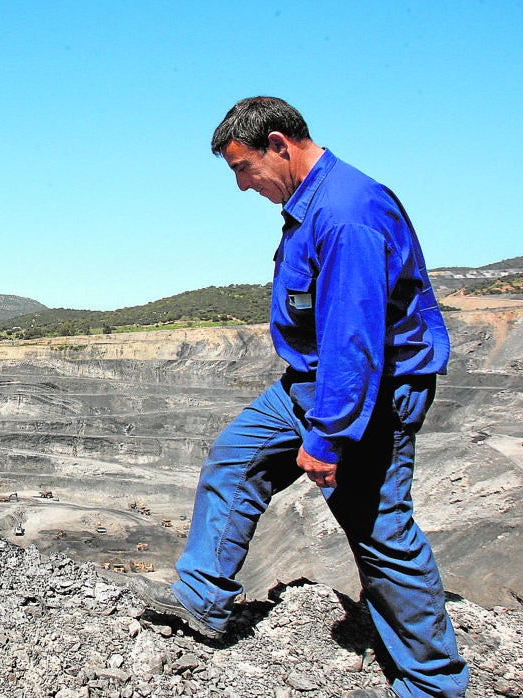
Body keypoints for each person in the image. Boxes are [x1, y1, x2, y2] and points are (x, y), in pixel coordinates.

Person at [130, 96, 469, 698]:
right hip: (311, 384)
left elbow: (355, 339)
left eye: (244, 168)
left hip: (366, 394)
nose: (241, 186)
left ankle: (432, 685)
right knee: (238, 455)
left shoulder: (346, 213)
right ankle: (202, 596)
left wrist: (329, 437)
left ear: (280, 145)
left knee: (379, 533)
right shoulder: (312, 205)